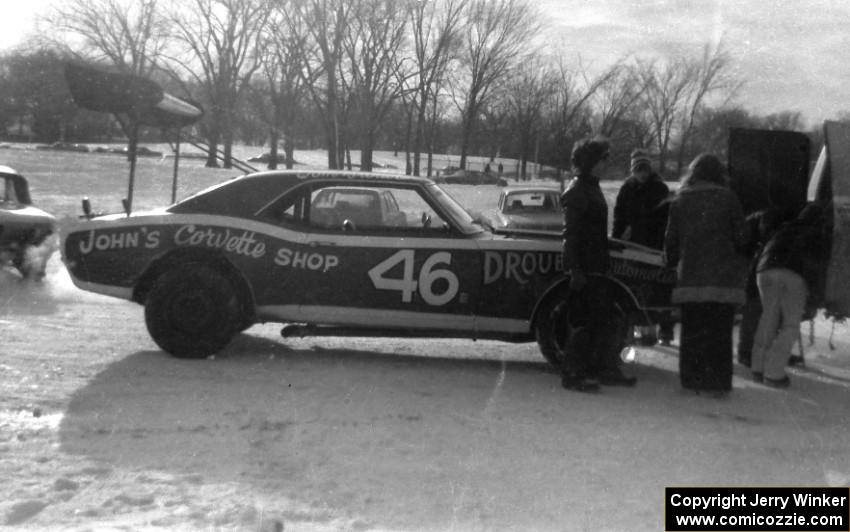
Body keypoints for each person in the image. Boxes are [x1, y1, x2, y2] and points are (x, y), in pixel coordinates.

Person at [663, 153, 749, 397]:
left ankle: (691, 381)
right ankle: (717, 384)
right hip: (723, 278)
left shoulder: (680, 200)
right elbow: (742, 236)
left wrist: (671, 262)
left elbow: (671, 240)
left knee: (692, 332)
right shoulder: (728, 198)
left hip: (690, 275)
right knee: (719, 334)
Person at [560, 136, 637, 392]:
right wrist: (574, 269)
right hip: (586, 267)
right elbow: (571, 234)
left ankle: (603, 368)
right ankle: (574, 373)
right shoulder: (578, 190)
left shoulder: (590, 187)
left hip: (596, 265)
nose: (607, 163)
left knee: (603, 319)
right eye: (604, 158)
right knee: (583, 322)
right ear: (592, 162)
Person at [750, 204, 829, 388]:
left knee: (768, 318)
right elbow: (817, 266)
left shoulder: (785, 227)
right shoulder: (817, 233)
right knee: (790, 325)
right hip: (793, 274)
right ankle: (774, 373)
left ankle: (758, 368)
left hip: (764, 270)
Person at [612, 148, 674, 343]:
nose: (642, 173)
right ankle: (635, 327)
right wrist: (616, 239)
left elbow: (662, 218)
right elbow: (619, 215)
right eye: (638, 169)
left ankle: (664, 329)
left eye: (644, 169)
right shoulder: (627, 188)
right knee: (633, 284)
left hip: (653, 243)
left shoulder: (659, 188)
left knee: (658, 285)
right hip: (631, 244)